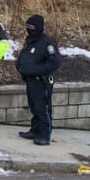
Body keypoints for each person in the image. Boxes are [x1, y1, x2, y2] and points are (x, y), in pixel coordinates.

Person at [15, 14, 61, 146]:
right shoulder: (30, 41)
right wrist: (20, 66)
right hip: (30, 80)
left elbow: (55, 62)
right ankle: (35, 131)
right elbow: (24, 56)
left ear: (38, 28)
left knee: (43, 109)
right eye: (27, 27)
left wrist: (36, 69)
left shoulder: (47, 43)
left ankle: (44, 135)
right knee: (34, 107)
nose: (28, 30)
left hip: (42, 82)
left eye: (31, 27)